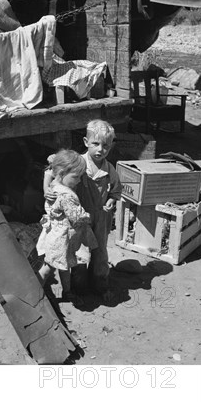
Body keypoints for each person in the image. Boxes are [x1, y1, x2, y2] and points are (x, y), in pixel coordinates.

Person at [44, 120, 122, 299]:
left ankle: (100, 286)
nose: (100, 149)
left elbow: (117, 190)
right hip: (78, 217)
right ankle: (78, 288)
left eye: (106, 146)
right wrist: (47, 190)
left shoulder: (109, 169)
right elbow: (50, 171)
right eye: (96, 144)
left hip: (101, 216)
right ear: (86, 142)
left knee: (100, 251)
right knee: (79, 252)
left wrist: (111, 200)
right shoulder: (77, 163)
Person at [37, 149, 98, 303]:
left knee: (64, 264)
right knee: (48, 267)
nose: (78, 181)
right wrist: (88, 216)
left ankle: (67, 291)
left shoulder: (54, 185)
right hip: (60, 238)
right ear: (62, 173)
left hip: (57, 234)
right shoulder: (65, 195)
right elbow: (76, 217)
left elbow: (51, 168)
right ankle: (34, 295)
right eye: (76, 177)